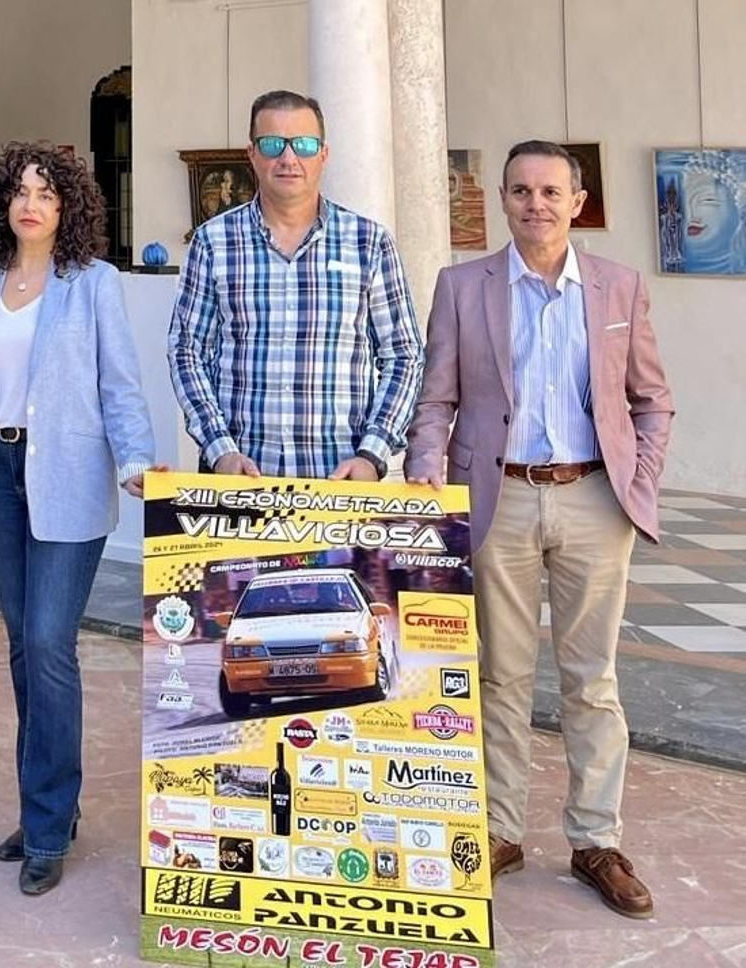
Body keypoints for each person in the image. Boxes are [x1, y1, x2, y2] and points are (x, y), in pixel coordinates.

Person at [405, 139, 674, 920]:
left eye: (552, 190)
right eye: (521, 190)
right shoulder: (463, 286)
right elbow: (437, 399)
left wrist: (639, 481)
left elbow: (653, 399)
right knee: (501, 677)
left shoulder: (619, 287)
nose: (537, 204)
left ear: (577, 200)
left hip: (594, 499)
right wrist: (429, 469)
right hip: (501, 498)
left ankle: (596, 840)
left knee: (592, 680)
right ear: (502, 198)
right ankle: (500, 830)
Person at [0, 142, 156, 895]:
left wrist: (135, 458)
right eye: (20, 192)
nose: (31, 203)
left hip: (65, 473)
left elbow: (120, 382)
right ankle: (49, 810)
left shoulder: (92, 283)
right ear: (3, 203)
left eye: (47, 193)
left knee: (47, 642)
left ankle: (46, 822)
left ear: (68, 208)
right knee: (19, 645)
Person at [168, 90, 424, 482]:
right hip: (241, 478)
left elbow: (404, 355)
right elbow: (187, 351)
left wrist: (373, 454)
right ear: (251, 154)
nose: (288, 158)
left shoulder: (368, 242)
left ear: (323, 154)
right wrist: (219, 449)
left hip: (341, 479)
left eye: (303, 145)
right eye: (272, 144)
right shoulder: (213, 242)